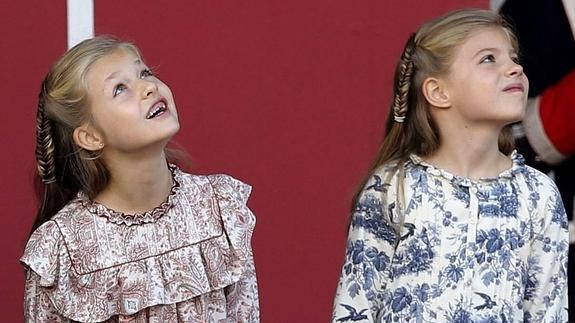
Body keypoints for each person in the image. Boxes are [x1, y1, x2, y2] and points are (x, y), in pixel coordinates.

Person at [332, 9, 569, 322]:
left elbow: (547, 312)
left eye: (514, 58)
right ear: (438, 91)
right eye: (489, 59)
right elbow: (355, 307)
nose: (515, 68)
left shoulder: (538, 195)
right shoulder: (394, 186)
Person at [20, 36, 259, 322]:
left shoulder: (218, 208)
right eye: (120, 88)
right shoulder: (60, 251)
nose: (148, 87)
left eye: (144, 73)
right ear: (90, 136)